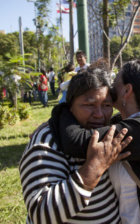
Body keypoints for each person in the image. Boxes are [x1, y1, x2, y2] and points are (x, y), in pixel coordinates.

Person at [49, 60, 140, 223]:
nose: (110, 86)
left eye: (116, 80)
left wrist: (63, 108)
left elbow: (75, 141)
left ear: (127, 90)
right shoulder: (136, 122)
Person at [19, 68, 133, 224]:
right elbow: (41, 214)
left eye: (106, 105)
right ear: (70, 105)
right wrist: (95, 167)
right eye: (89, 104)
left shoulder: (109, 133)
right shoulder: (47, 141)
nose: (99, 114)